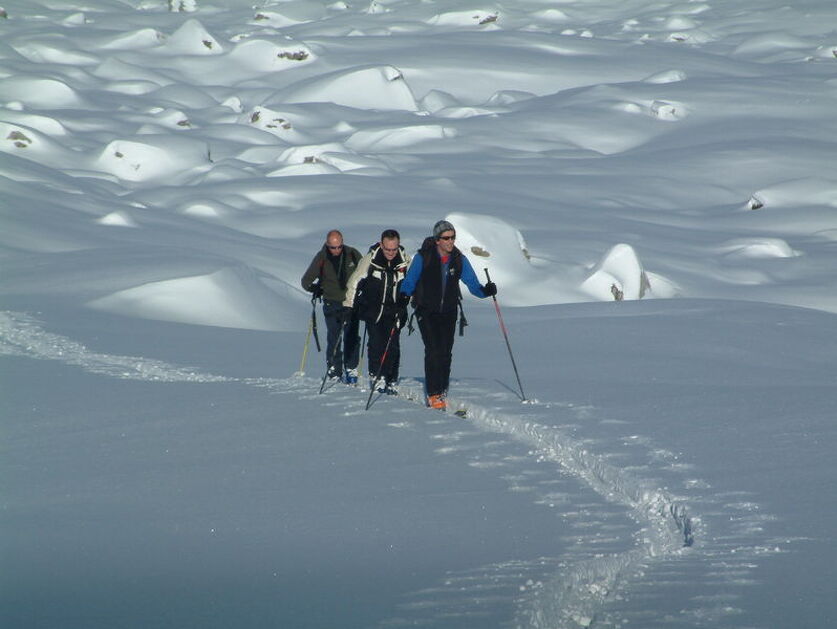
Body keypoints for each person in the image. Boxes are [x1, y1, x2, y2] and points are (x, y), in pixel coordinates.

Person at [399, 219, 497, 410]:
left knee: (446, 352)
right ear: (437, 240)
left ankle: (442, 389)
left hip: (449, 311)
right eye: (446, 238)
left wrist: (487, 291)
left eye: (452, 237)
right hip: (426, 310)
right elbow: (410, 281)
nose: (450, 241)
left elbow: (473, 284)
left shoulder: (458, 259)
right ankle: (433, 393)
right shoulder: (423, 257)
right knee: (433, 350)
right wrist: (404, 296)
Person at [344, 229, 411, 395]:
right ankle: (376, 377)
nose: (390, 253)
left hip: (395, 310)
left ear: (398, 245)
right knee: (376, 344)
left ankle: (391, 379)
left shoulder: (404, 261)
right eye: (387, 249)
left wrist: (411, 303)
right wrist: (348, 306)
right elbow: (354, 281)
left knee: (393, 346)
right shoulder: (371, 259)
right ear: (381, 245)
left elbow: (413, 284)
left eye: (394, 249)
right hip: (373, 309)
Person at [301, 230, 362, 384]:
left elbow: (364, 274)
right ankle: (334, 370)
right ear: (327, 245)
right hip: (331, 303)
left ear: (342, 243)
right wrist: (316, 289)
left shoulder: (353, 254)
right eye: (332, 247)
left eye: (339, 247)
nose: (336, 250)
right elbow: (306, 281)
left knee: (352, 337)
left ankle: (351, 369)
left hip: (352, 302)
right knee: (334, 338)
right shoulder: (321, 257)